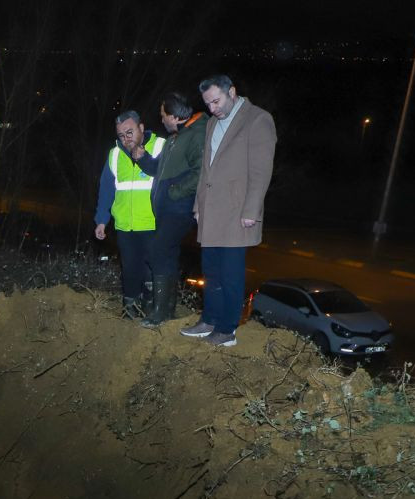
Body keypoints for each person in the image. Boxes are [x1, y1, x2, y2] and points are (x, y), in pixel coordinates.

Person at [181, 74, 277, 347]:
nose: (212, 108)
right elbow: (206, 170)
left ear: (232, 92)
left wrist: (251, 210)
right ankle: (209, 321)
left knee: (230, 274)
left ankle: (227, 330)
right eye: (208, 103)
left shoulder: (258, 119)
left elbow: (261, 171)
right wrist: (198, 206)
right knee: (210, 271)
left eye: (216, 101)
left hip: (237, 212)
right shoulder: (212, 123)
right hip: (211, 212)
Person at [131, 92, 208, 327]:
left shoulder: (195, 135)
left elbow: (202, 172)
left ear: (174, 117)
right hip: (167, 210)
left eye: (163, 115)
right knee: (167, 255)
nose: (161, 118)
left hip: (181, 209)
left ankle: (158, 313)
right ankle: (167, 312)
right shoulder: (176, 137)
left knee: (157, 249)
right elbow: (159, 169)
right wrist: (142, 159)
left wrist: (175, 192)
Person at [94, 110, 166, 318]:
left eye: (130, 132)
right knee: (130, 269)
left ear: (141, 128)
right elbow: (106, 190)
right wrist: (101, 220)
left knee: (152, 270)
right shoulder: (114, 154)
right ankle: (130, 309)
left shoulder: (161, 146)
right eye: (121, 135)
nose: (126, 139)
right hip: (125, 225)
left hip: (153, 224)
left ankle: (153, 310)